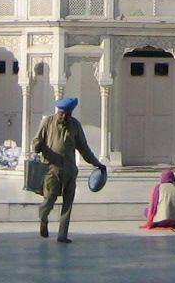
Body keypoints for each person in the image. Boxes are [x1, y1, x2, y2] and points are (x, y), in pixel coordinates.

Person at [32, 96, 104, 243]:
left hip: (70, 170)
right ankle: (43, 219)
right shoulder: (47, 122)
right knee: (49, 200)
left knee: (68, 203)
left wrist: (97, 163)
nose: (64, 116)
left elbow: (84, 149)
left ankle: (62, 234)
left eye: (67, 114)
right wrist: (39, 146)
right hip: (52, 170)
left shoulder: (75, 126)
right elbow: (36, 142)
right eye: (61, 113)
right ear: (58, 111)